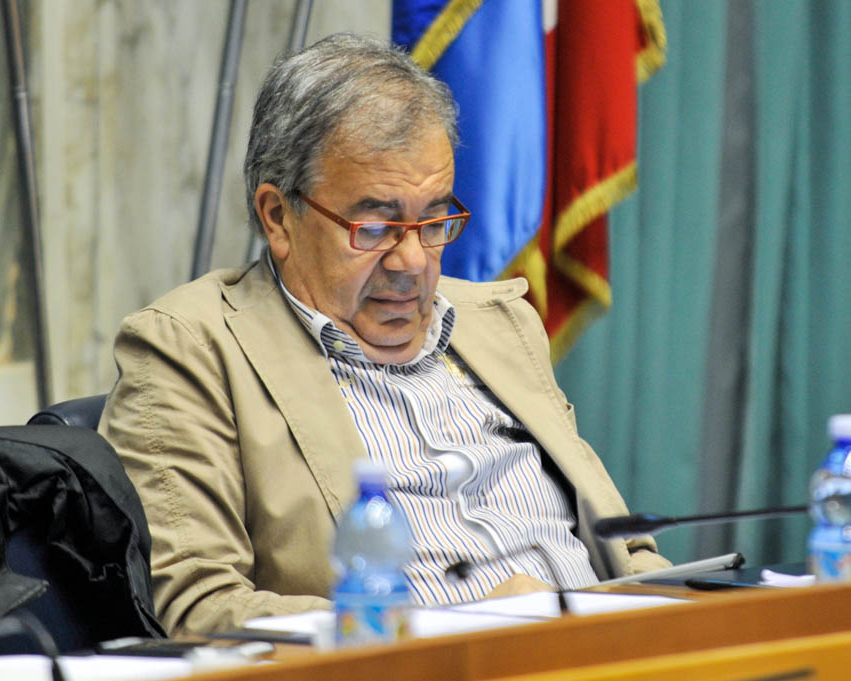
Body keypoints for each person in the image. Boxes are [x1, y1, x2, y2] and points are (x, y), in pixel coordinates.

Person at [100, 33, 669, 636]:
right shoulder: (191, 350)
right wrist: (454, 629)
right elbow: (197, 610)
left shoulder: (500, 322)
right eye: (374, 228)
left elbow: (626, 553)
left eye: (434, 220)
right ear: (278, 216)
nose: (412, 261)